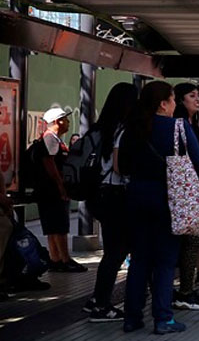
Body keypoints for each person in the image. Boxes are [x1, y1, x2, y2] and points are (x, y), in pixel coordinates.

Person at [119, 81, 199, 334]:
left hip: (137, 198)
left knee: (140, 260)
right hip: (170, 199)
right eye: (172, 99)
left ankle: (132, 318)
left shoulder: (132, 129)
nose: (175, 104)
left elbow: (123, 166)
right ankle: (163, 318)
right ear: (162, 104)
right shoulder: (177, 127)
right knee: (166, 261)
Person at [82, 83, 138, 322]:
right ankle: (101, 305)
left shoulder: (97, 129)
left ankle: (97, 299)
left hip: (98, 196)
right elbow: (120, 167)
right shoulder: (123, 130)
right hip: (116, 196)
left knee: (114, 250)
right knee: (116, 252)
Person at [172, 82, 199, 311]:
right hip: (186, 193)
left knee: (189, 242)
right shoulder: (181, 126)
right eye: (191, 95)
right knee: (190, 241)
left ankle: (184, 289)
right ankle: (185, 291)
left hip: (189, 192)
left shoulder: (192, 124)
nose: (197, 100)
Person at [35, 107, 86, 273]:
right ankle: (63, 259)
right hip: (53, 191)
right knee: (59, 226)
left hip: (49, 191)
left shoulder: (54, 139)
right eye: (66, 119)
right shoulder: (50, 139)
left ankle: (56, 259)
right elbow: (50, 165)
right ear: (58, 121)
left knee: (54, 226)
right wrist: (61, 187)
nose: (69, 122)